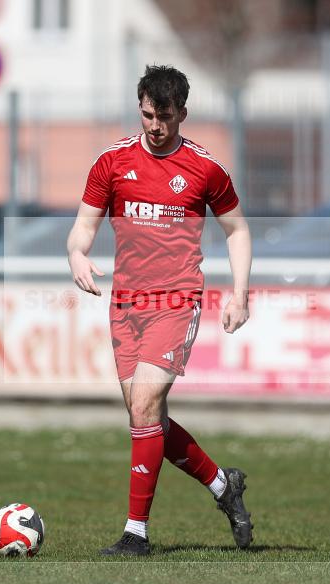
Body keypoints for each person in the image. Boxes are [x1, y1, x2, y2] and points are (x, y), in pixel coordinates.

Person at [67, 65, 254, 556]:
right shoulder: (112, 162)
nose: (154, 125)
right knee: (147, 419)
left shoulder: (205, 169)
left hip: (176, 299)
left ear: (182, 114)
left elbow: (237, 231)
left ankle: (136, 534)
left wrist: (239, 293)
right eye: (147, 114)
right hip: (125, 304)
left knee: (146, 408)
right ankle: (222, 485)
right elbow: (83, 226)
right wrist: (77, 254)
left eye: (164, 117)